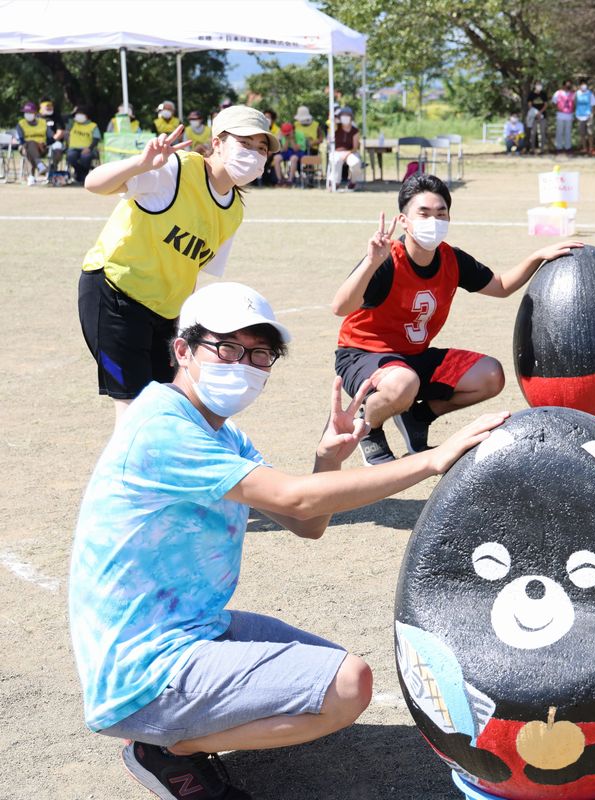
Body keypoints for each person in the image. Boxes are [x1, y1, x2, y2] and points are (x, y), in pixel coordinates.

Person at [70, 279, 508, 800]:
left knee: (332, 680)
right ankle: (168, 749)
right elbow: (298, 499)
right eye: (227, 348)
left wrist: (328, 458)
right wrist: (432, 460)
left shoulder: (221, 434)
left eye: (259, 354)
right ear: (183, 350)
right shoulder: (161, 429)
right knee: (349, 686)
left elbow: (307, 522)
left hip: (197, 629)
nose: (244, 364)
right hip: (143, 667)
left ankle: (179, 732)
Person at [332, 174, 582, 464]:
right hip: (362, 355)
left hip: (412, 358)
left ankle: (418, 417)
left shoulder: (452, 259)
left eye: (441, 213)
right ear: (404, 220)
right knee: (403, 384)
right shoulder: (388, 259)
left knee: (490, 376)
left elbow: (500, 286)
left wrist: (538, 256)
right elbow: (341, 307)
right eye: (423, 213)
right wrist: (371, 262)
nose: (433, 221)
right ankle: (367, 426)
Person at [77, 105, 279, 422]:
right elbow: (94, 183)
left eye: (261, 148)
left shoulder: (233, 209)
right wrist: (140, 164)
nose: (253, 155)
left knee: (170, 406)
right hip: (115, 294)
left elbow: (191, 268)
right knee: (134, 410)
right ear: (217, 143)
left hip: (165, 314)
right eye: (245, 143)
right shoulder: (175, 170)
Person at [327, 105, 363, 191]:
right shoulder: (335, 127)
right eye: (343, 115)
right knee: (336, 161)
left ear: (351, 117)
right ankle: (335, 183)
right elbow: (330, 123)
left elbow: (355, 147)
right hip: (336, 152)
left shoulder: (355, 130)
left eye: (347, 115)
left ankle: (353, 182)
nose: (345, 117)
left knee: (356, 163)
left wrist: (346, 154)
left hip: (350, 152)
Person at [65, 105, 100, 184]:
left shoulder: (93, 125)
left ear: (86, 115)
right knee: (70, 157)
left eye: (80, 113)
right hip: (73, 148)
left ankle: (82, 174)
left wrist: (89, 148)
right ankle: (79, 172)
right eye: (77, 113)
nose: (78, 115)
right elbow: (66, 133)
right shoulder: (72, 123)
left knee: (85, 157)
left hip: (87, 149)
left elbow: (96, 139)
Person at [16, 101, 49, 185]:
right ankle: (39, 165)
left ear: (35, 113)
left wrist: (43, 144)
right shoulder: (21, 124)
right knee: (30, 145)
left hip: (42, 148)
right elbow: (21, 140)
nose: (28, 114)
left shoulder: (43, 123)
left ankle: (31, 177)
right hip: (24, 147)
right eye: (26, 112)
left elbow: (51, 137)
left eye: (30, 112)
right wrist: (32, 143)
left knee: (30, 151)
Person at [574, 79, 595, 155]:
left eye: (585, 84)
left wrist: (592, 114)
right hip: (580, 116)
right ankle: (584, 148)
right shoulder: (577, 94)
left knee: (590, 133)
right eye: (582, 84)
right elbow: (574, 103)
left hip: (588, 115)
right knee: (582, 133)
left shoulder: (590, 94)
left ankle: (591, 148)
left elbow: (594, 105)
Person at [552, 80, 576, 152]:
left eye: (569, 85)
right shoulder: (558, 93)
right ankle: (559, 147)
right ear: (563, 85)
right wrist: (558, 108)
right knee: (559, 131)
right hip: (560, 115)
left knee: (568, 132)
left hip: (569, 115)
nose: (568, 86)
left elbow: (574, 103)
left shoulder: (573, 94)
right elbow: (553, 102)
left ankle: (568, 147)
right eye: (566, 84)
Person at [525, 81, 549, 155]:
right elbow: (529, 105)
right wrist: (535, 113)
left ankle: (542, 149)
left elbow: (546, 105)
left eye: (540, 85)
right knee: (533, 133)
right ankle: (532, 149)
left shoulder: (543, 94)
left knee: (542, 132)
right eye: (537, 85)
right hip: (533, 117)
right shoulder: (531, 94)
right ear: (535, 86)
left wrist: (540, 113)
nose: (539, 86)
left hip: (543, 116)